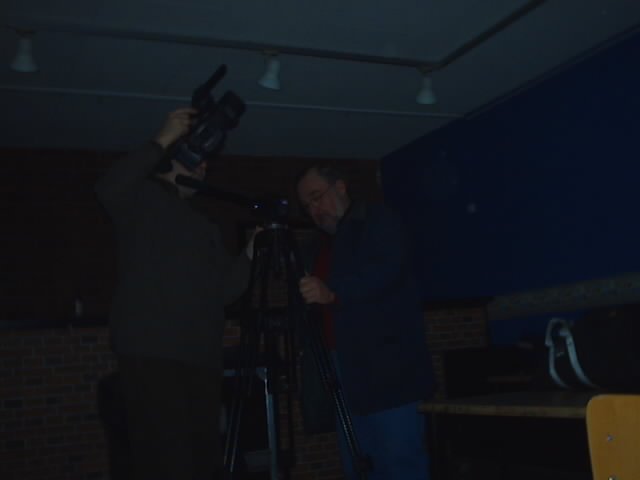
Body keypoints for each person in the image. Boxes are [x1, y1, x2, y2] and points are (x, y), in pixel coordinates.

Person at [95, 107, 256, 480]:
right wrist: (164, 137)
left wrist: (251, 253)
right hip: (154, 351)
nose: (203, 168)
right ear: (170, 162)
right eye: (196, 160)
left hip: (202, 356)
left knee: (202, 457)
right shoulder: (142, 198)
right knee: (166, 457)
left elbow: (226, 291)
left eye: (206, 165)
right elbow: (108, 186)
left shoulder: (204, 226)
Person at [296, 164, 435, 480]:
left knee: (399, 461)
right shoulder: (318, 247)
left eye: (317, 196)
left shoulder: (378, 220)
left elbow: (386, 271)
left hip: (388, 367)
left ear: (340, 187)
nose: (314, 209)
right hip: (342, 367)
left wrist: (333, 293)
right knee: (359, 464)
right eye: (307, 205)